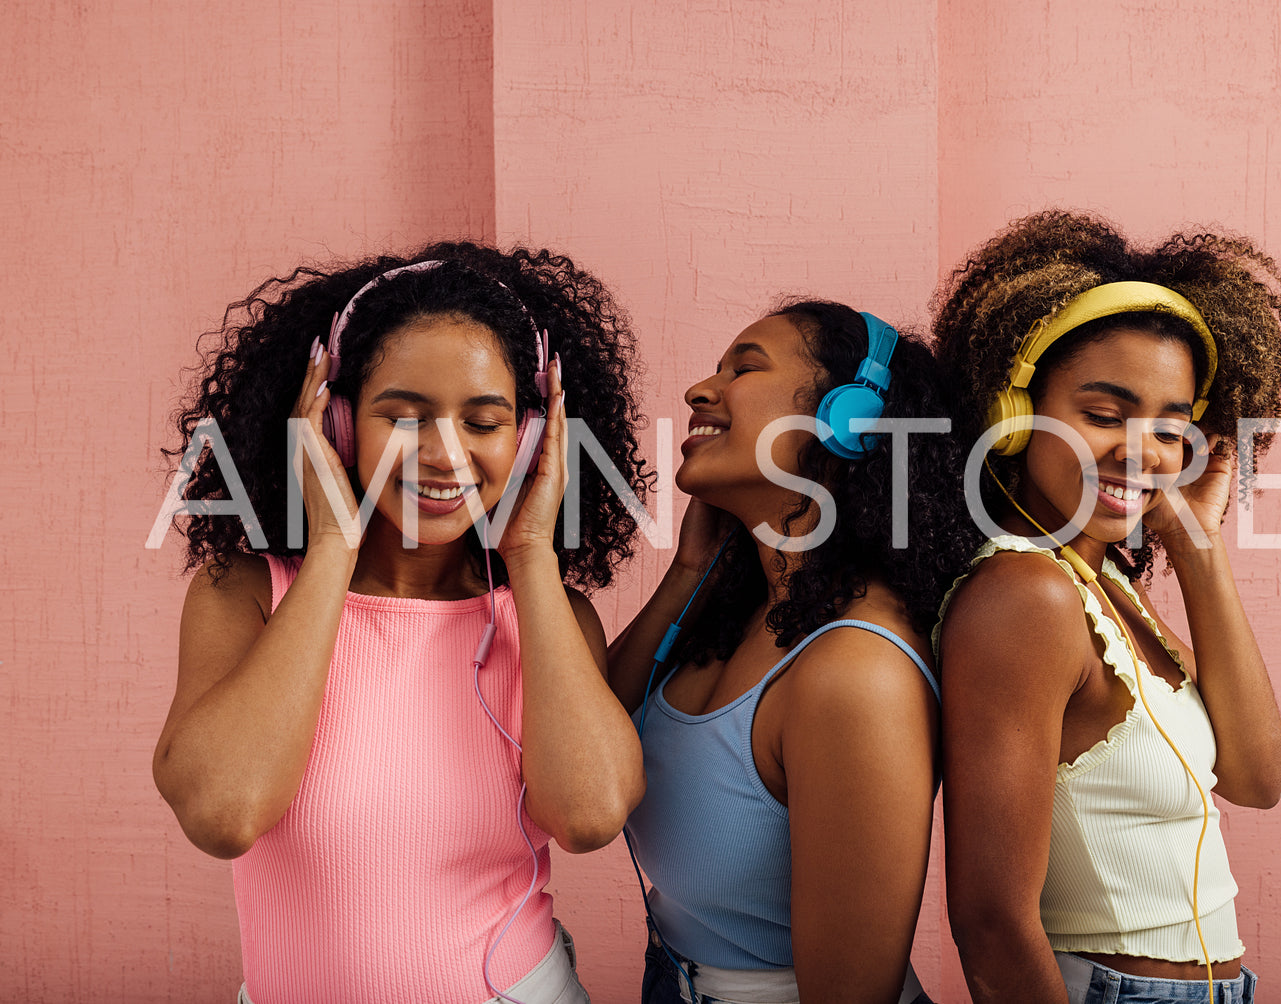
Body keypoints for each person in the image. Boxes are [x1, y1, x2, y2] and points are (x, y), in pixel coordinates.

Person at [152, 244, 652, 1004]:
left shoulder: (544, 612)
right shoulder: (246, 595)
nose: (444, 453)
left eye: (483, 422)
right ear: (338, 424)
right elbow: (223, 815)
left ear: (525, 441)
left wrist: (529, 556)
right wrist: (330, 548)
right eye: (403, 414)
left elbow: (587, 817)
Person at [932, 211, 1281, 1004]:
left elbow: (1257, 778)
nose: (1139, 451)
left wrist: (1196, 547)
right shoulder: (1025, 596)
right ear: (1012, 418)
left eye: (1169, 430)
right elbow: (989, 920)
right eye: (1102, 416)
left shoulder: (1104, 585)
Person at [607, 300, 977, 1004]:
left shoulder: (854, 675)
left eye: (744, 367)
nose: (698, 391)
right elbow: (589, 745)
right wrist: (686, 574)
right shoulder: (741, 611)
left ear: (850, 422)